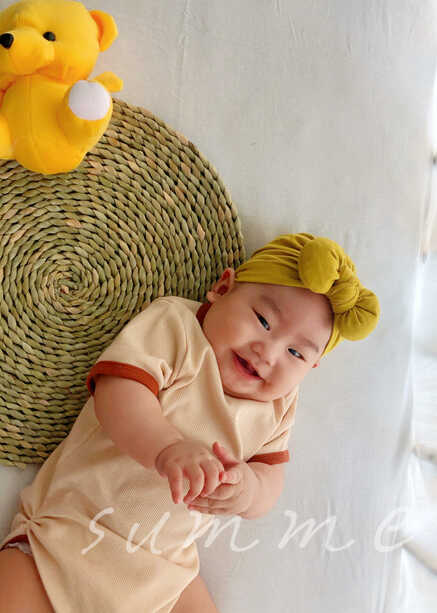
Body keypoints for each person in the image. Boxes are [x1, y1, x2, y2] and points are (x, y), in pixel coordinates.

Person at [0, 232, 380, 612]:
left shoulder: (278, 405)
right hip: (66, 536)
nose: (267, 352)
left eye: (295, 353)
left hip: (163, 572)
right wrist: (166, 447)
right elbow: (117, 392)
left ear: (311, 368)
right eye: (263, 320)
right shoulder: (178, 329)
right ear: (223, 288)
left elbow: (270, 480)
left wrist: (248, 491)